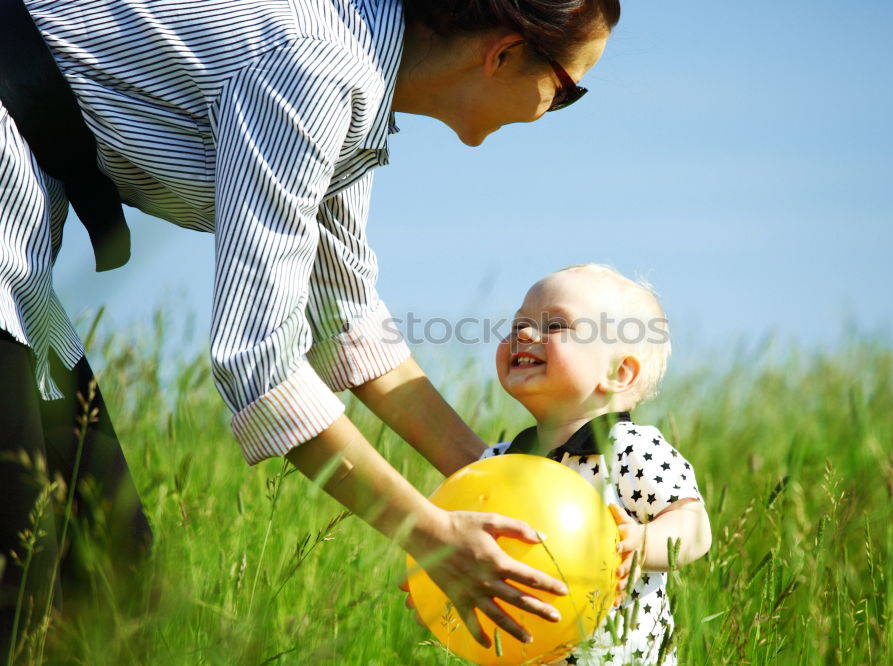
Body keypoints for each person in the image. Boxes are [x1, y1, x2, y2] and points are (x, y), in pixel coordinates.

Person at [0, 0, 621, 657]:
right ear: (501, 54)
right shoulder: (315, 68)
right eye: (566, 91)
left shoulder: (352, 86)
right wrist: (429, 534)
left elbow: (342, 315)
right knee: (23, 590)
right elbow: (260, 362)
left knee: (111, 587)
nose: (554, 112)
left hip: (20, 264)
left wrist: (501, 483)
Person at [481, 264, 713, 665]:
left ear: (618, 372)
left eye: (554, 325)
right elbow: (461, 532)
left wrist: (641, 543)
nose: (522, 334)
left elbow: (694, 527)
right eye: (518, 323)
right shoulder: (500, 463)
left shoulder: (630, 451)